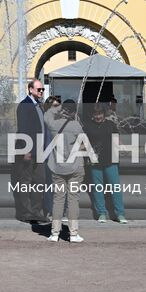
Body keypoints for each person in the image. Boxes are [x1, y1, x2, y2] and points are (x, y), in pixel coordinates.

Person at [43, 100, 96, 242]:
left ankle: (54, 233)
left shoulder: (53, 125)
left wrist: (57, 109)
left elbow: (47, 114)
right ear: (73, 112)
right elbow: (86, 146)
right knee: (73, 200)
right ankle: (73, 234)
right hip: (74, 168)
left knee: (58, 199)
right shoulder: (76, 126)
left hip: (57, 168)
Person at [14, 78, 50, 229]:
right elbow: (23, 129)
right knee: (26, 181)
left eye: (42, 90)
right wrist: (26, 150)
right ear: (30, 90)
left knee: (39, 181)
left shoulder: (39, 106)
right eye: (39, 89)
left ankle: (36, 211)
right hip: (29, 150)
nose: (41, 92)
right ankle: (25, 213)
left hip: (40, 151)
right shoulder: (24, 105)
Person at [84, 104, 127, 224]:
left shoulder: (110, 125)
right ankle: (101, 213)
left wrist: (121, 146)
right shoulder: (87, 126)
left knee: (115, 188)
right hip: (95, 161)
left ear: (104, 114)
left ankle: (120, 214)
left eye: (100, 114)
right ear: (92, 115)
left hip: (110, 160)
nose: (98, 116)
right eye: (96, 114)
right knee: (98, 189)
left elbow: (117, 139)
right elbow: (84, 142)